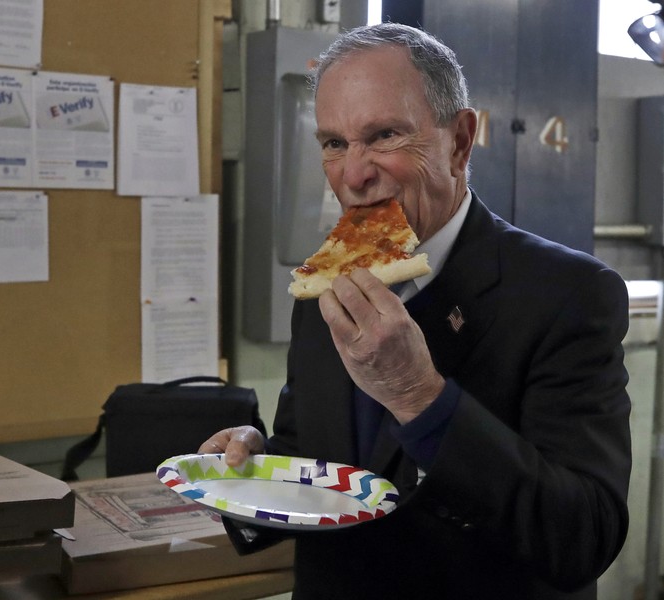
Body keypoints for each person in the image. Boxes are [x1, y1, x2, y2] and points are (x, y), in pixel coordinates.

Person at [199, 22, 631, 599]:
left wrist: (417, 395)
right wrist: (254, 464)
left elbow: (584, 537)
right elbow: (320, 459)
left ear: (459, 142)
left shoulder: (568, 294)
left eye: (383, 136)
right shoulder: (326, 288)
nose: (353, 175)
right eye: (333, 143)